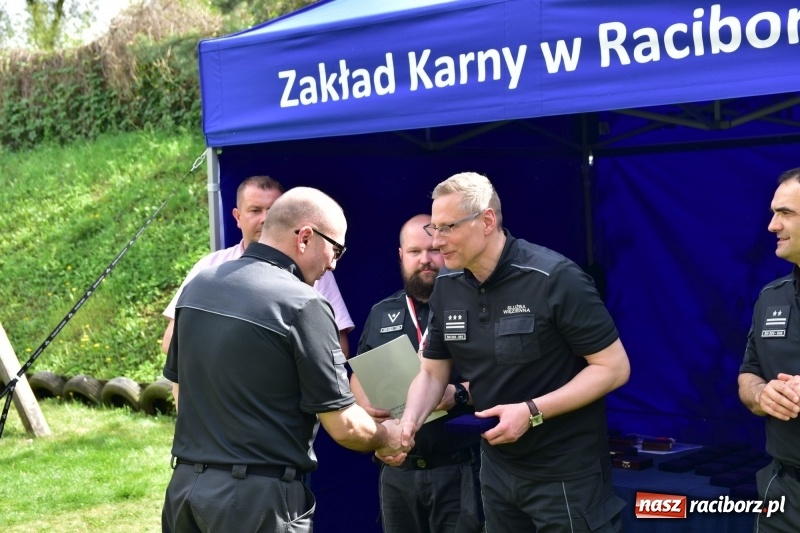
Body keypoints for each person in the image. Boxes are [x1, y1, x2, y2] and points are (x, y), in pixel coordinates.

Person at [385, 172, 630, 531]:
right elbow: (431, 372)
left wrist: (532, 411)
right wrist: (408, 425)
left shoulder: (554, 277)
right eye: (433, 229)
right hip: (497, 471)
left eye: (448, 227)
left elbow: (613, 367)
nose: (437, 242)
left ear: (487, 221)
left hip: (565, 474)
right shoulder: (447, 286)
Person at [161, 187, 412, 533]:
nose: (334, 263)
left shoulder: (198, 286)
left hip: (184, 492)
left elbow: (180, 389)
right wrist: (387, 436)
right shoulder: (303, 304)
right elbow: (345, 425)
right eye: (335, 248)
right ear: (306, 237)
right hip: (257, 501)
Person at [353, 214, 483, 533]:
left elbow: (511, 380)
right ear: (401, 256)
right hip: (398, 469)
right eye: (414, 252)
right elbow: (358, 375)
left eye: (433, 250)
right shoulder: (382, 312)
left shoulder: (477, 306)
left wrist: (460, 394)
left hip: (459, 467)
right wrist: (368, 412)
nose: (425, 260)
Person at [161, 175, 355, 356]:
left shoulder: (313, 269)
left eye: (272, 211)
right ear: (237, 217)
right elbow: (171, 342)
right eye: (255, 210)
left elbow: (337, 347)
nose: (264, 219)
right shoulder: (209, 267)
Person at [738, 167, 800, 533]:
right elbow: (748, 371)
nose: (772, 226)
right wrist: (761, 394)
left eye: (786, 213)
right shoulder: (770, 297)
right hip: (785, 493)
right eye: (773, 213)